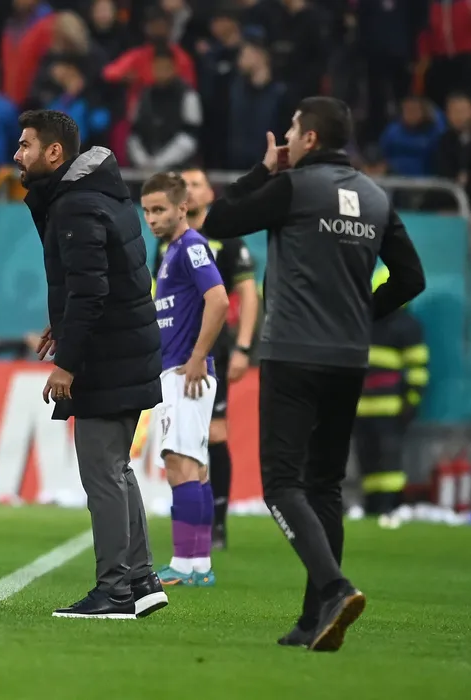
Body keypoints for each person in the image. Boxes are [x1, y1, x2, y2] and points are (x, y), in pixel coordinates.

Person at [203, 96, 426, 651]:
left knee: (282, 484)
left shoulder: (294, 187)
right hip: (349, 358)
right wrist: (362, 314)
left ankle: (334, 588)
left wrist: (263, 170)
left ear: (308, 138)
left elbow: (218, 221)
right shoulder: (375, 196)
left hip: (293, 354)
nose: (286, 139)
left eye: (292, 130)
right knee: (325, 485)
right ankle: (314, 620)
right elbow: (411, 278)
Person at [16, 109, 168, 620]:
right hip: (127, 347)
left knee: (102, 473)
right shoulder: (99, 193)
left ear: (54, 152)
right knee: (117, 469)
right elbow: (103, 277)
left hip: (109, 356)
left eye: (26, 145)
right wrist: (61, 322)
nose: (17, 155)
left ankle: (115, 590)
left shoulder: (76, 204)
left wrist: (67, 363)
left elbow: (90, 291)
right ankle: (141, 579)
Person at [152, 167, 258, 550]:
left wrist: (242, 347)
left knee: (210, 438)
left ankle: (215, 527)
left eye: (197, 184)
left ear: (209, 193)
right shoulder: (166, 244)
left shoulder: (222, 240)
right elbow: (159, 297)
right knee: (186, 446)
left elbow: (245, 295)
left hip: (209, 350)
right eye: (185, 185)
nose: (191, 191)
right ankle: (194, 540)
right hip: (175, 353)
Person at [142, 172, 230, 587]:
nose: (152, 218)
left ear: (182, 208)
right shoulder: (172, 250)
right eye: (147, 211)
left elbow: (219, 299)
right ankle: (198, 565)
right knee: (193, 465)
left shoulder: (191, 246)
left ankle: (184, 563)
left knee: (181, 464)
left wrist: (197, 357)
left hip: (186, 372)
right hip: (176, 370)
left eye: (159, 209)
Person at [353, 264, 428, 529]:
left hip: (388, 408)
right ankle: (373, 507)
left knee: (388, 462)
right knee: (368, 460)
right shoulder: (367, 321)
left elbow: (417, 367)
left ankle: (390, 505)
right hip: (363, 408)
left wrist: (411, 401)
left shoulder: (406, 326)